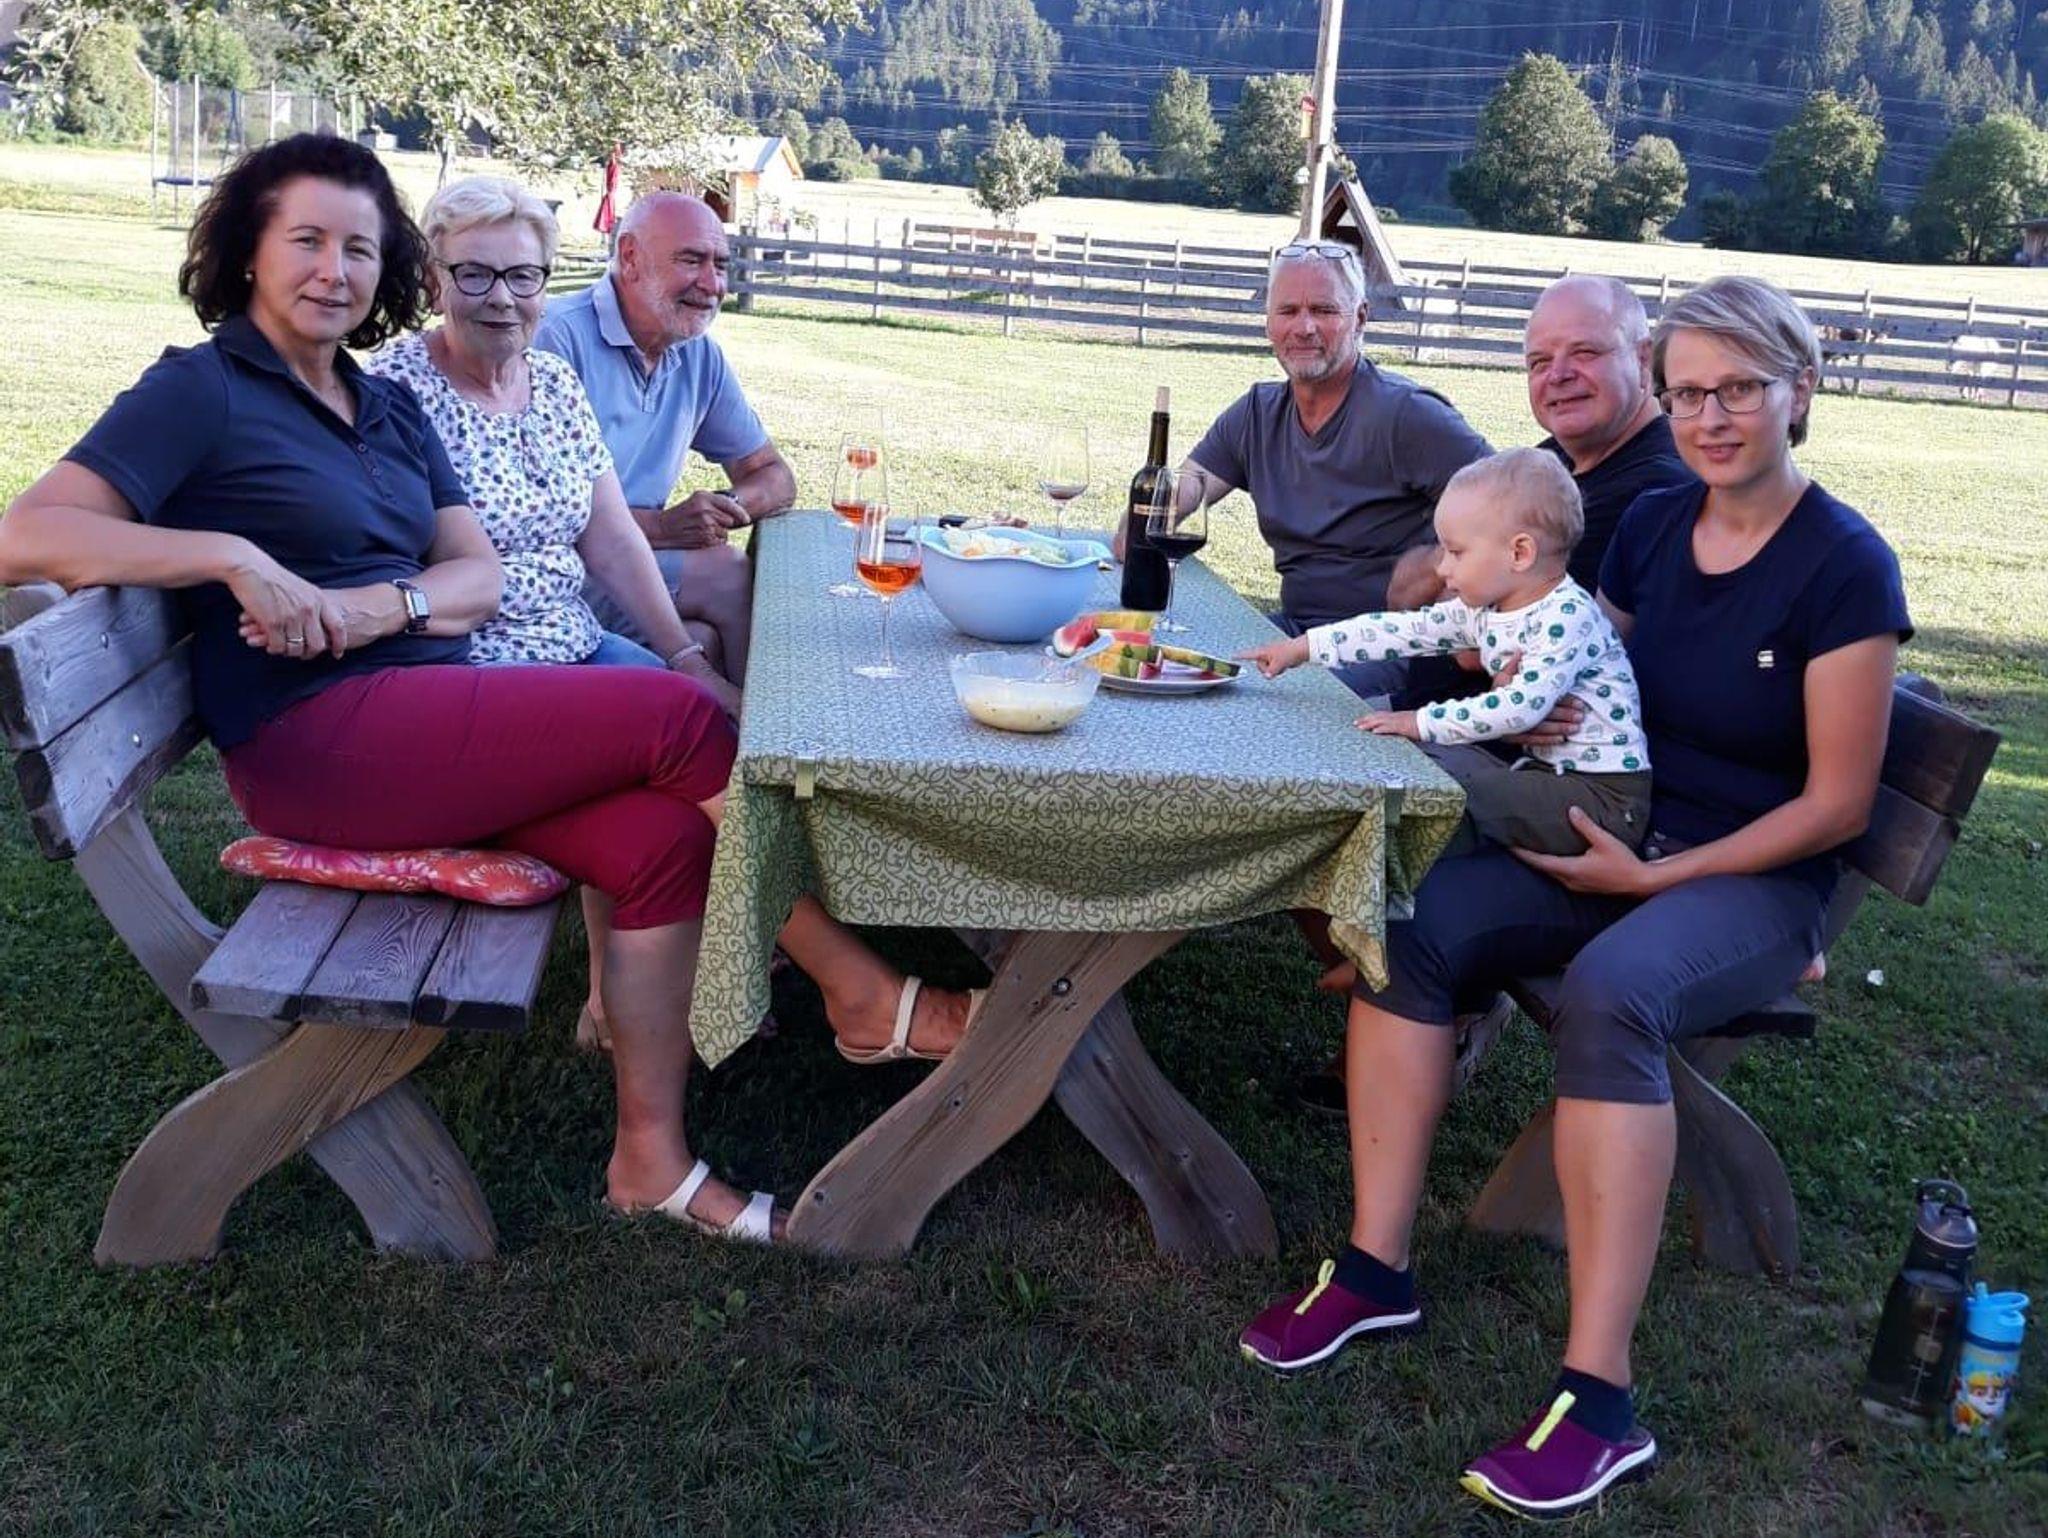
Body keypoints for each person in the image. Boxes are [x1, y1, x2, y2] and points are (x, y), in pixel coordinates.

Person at [0, 135, 966, 1249]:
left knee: (662, 842)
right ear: (250, 250)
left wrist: (380, 609)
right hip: (315, 744)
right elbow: (27, 532)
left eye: (358, 248)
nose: (334, 270)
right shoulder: (202, 389)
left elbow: (476, 579)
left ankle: (649, 1164)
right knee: (682, 716)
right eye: (306, 240)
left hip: (426, 708)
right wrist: (228, 556)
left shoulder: (377, 406)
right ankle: (862, 994)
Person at [1236, 276, 1911, 1521]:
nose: (1708, 417)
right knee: (1413, 929)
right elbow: (1579, 655)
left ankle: (1597, 1399)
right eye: (1687, 392)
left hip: (1748, 874)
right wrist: (1529, 708)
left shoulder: (1844, 566)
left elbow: (1834, 805)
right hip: (1616, 826)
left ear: (1799, 391)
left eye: (1739, 389)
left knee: (1610, 991)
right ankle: (1377, 1267)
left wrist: (1652, 877)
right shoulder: (1651, 524)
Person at [366, 174, 736, 1053]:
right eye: (475, 274)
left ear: (545, 283)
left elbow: (612, 540)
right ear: (434, 279)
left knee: (716, 717)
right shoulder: (395, 393)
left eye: (522, 276)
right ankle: (783, 979)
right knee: (668, 754)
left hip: (574, 642)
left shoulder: (556, 382)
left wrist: (685, 656)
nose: (502, 298)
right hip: (475, 672)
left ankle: (655, 981)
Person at [1240, 447, 1649, 859]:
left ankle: (1383, 874)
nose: (1442, 570)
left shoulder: (1567, 616)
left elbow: (1518, 709)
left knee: (1444, 793)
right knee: (1406, 764)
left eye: (1456, 552)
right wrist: (1305, 647)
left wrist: (1417, 721)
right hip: (1547, 776)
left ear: (1519, 553)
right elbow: (1399, 630)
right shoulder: (1488, 609)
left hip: (1604, 800)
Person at [1129, 238, 1492, 700]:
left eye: (1323, 310)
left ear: (1360, 318)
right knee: (1167, 666)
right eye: (1288, 311)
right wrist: (1142, 522)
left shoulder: (1407, 415)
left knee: (1249, 702)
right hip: (1293, 632)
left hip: (1381, 647)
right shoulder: (1256, 414)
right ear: (1268, 322)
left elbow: (1510, 505)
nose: (1303, 328)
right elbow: (1161, 508)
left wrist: (1438, 570)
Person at [534, 192, 793, 693]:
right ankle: (775, 729)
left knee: (703, 640)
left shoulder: (698, 355)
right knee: (726, 573)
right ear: (630, 257)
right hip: (555, 577)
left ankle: (746, 732)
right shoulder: (555, 340)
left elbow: (775, 476)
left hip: (632, 571)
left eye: (721, 265)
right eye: (691, 260)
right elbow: (538, 517)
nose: (712, 284)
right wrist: (663, 527)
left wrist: (725, 508)